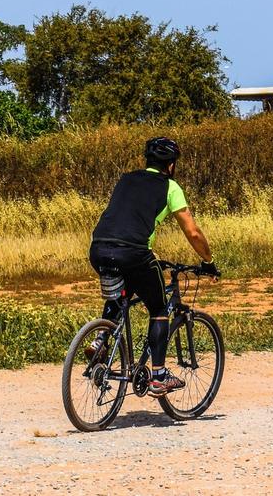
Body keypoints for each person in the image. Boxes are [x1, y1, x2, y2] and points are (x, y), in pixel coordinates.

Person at [87, 136, 219, 395]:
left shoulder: (125, 179)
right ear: (171, 165)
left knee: (121, 294)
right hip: (133, 253)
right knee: (159, 308)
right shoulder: (170, 187)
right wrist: (209, 262)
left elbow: (127, 218)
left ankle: (101, 338)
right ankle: (158, 376)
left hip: (99, 248)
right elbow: (192, 232)